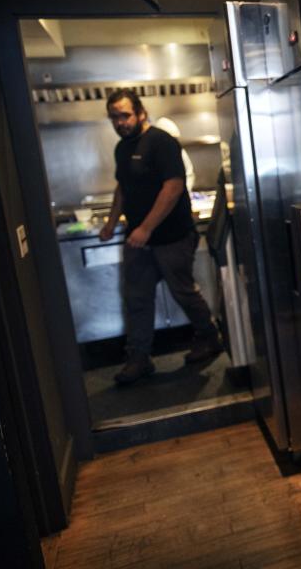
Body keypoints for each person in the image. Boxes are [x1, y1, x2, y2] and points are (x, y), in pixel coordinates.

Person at [99, 88, 223, 384]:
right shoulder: (122, 148)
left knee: (183, 292)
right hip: (138, 240)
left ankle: (209, 337)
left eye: (125, 115)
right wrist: (112, 222)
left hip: (172, 236)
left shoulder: (161, 142)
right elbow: (122, 188)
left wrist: (145, 228)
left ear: (140, 113)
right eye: (114, 117)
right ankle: (139, 359)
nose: (120, 122)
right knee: (136, 297)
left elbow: (173, 187)